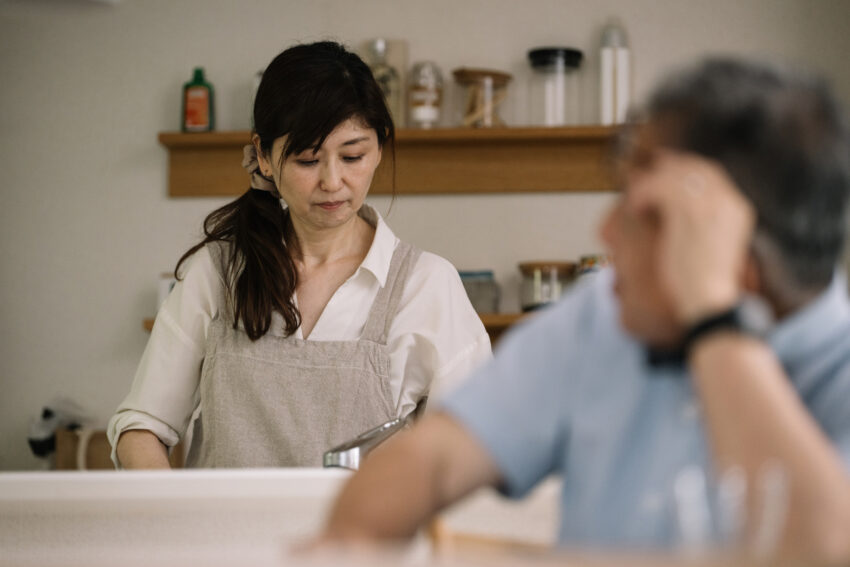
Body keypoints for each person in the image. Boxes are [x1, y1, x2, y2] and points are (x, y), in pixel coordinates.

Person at [321, 58, 850, 560]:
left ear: (730, 244)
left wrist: (714, 317)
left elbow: (823, 547)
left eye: (643, 211)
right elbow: (419, 471)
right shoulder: (601, 318)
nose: (605, 231)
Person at [107, 41, 491, 469]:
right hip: (225, 537)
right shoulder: (217, 275)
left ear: (379, 149)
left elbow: (473, 455)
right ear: (264, 158)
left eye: (352, 156)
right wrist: (175, 524)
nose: (332, 181)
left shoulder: (427, 286)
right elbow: (141, 428)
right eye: (308, 159)